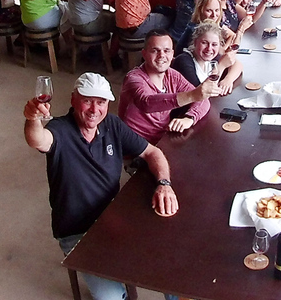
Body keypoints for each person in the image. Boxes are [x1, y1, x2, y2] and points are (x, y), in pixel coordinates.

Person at [24, 72, 178, 300]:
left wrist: (164, 184)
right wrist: (32, 118)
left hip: (114, 218)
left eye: (101, 102)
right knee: (112, 297)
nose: (95, 109)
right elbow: (37, 139)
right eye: (87, 100)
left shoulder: (112, 125)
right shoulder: (60, 129)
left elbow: (152, 152)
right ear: (73, 99)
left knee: (168, 269)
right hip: (76, 232)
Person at [119, 30, 217, 145]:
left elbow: (203, 100)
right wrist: (193, 95)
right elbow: (147, 102)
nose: (162, 56)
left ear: (172, 54)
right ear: (144, 54)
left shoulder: (172, 75)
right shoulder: (134, 78)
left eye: (166, 51)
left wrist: (189, 118)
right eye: (155, 50)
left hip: (164, 139)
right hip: (136, 146)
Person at [172, 21, 243, 96]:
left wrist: (228, 80)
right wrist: (221, 66)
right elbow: (200, 93)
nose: (209, 48)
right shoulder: (183, 61)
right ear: (195, 42)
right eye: (204, 43)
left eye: (214, 44)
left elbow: (237, 64)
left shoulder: (211, 57)